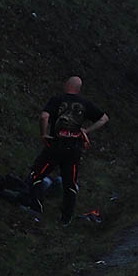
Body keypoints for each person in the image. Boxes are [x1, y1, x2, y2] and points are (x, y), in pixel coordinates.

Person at [28, 76, 109, 225]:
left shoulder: (57, 99)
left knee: (37, 174)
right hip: (74, 149)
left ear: (66, 85)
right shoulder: (85, 103)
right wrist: (86, 130)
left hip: (55, 145)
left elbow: (44, 116)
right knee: (70, 183)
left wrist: (43, 134)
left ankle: (35, 207)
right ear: (78, 89)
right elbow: (104, 118)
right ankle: (66, 219)